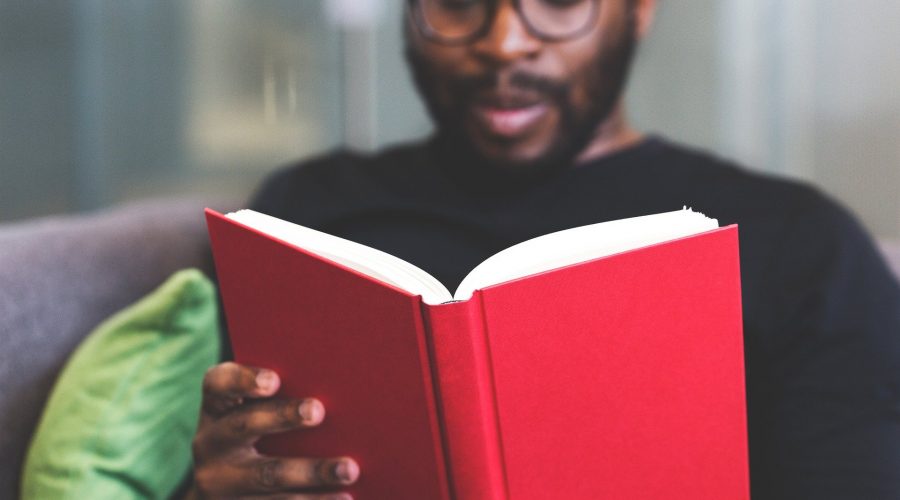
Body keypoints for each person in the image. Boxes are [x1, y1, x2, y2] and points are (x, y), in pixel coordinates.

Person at [188, 0, 900, 498]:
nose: (504, 42)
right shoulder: (302, 217)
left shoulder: (801, 243)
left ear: (639, 10)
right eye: (460, 0)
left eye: (560, 0)